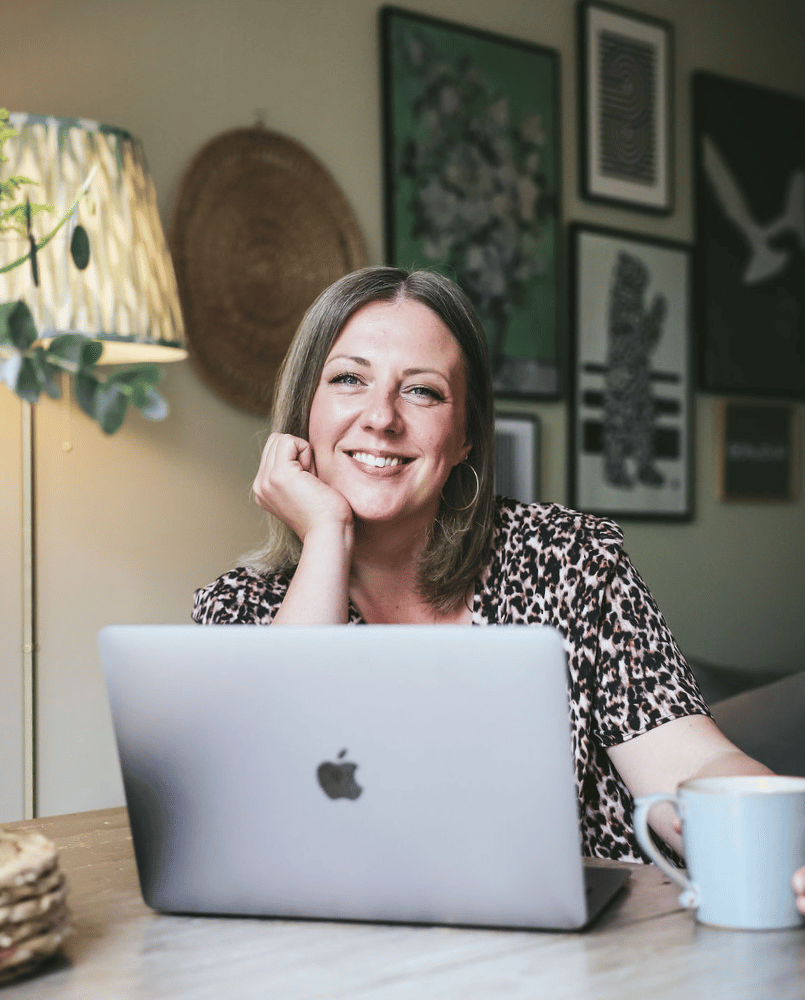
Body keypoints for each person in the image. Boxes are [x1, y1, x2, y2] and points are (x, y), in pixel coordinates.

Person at [193, 266, 805, 905]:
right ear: (303, 416)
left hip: (581, 959)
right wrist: (326, 535)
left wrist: (781, 836)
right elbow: (267, 819)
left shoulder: (569, 561)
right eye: (349, 379)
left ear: (464, 437)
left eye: (423, 392)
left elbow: (692, 763)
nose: (381, 417)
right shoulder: (239, 610)